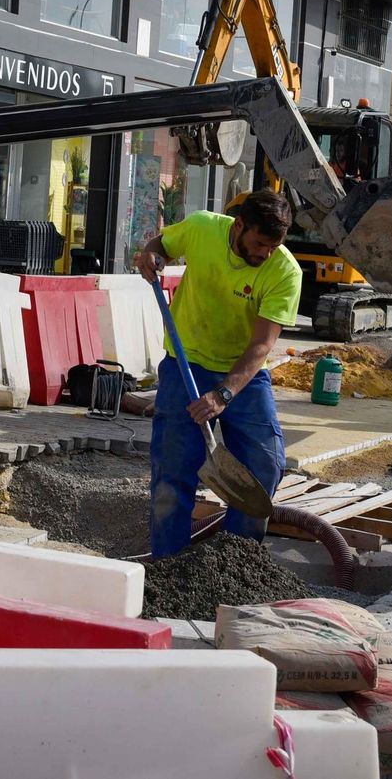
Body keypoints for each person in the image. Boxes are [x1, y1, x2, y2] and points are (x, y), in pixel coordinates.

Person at [134, 190, 301, 558]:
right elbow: (161, 245)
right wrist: (152, 256)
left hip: (243, 375)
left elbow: (262, 345)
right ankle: (168, 565)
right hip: (186, 365)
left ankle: (233, 558)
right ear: (239, 225)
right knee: (173, 470)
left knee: (264, 465)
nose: (265, 254)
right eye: (260, 243)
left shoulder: (285, 272)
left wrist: (223, 394)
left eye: (273, 246)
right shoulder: (201, 228)